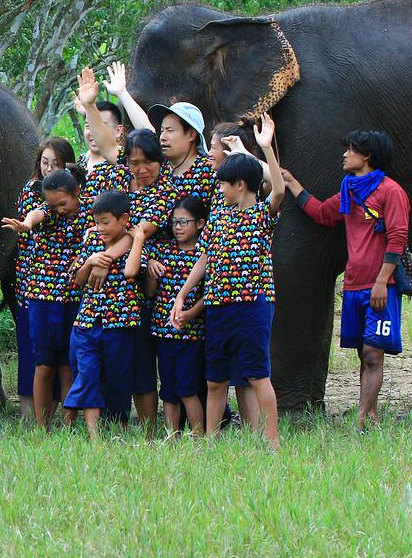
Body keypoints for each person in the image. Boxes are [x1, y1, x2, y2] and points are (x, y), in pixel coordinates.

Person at [172, 114, 283, 450]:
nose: (219, 188)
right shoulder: (219, 215)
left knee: (257, 375)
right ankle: (210, 440)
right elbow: (205, 258)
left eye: (223, 183)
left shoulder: (262, 215)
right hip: (218, 306)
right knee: (215, 379)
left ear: (240, 185)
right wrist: (184, 294)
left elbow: (278, 188)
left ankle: (272, 442)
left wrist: (263, 149)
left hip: (253, 306)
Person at [284, 130, 408, 431]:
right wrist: (292, 184)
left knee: (372, 352)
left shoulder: (391, 192)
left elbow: (398, 237)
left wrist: (382, 282)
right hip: (353, 284)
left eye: (350, 149)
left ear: (366, 156)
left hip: (380, 286)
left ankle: (364, 418)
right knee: (362, 353)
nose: (344, 155)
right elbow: (324, 214)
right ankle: (371, 415)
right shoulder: (350, 189)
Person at [79, 69, 166, 430]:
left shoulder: (163, 193)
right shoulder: (117, 176)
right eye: (134, 163)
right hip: (103, 293)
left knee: (143, 362)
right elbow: (110, 142)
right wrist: (90, 106)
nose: (141, 170)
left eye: (148, 164)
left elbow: (137, 232)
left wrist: (106, 259)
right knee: (106, 358)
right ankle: (114, 422)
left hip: (141, 284)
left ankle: (147, 430)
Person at [3, 163, 92, 429]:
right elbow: (36, 215)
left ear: (77, 192)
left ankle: (67, 423)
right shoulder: (49, 211)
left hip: (75, 296)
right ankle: (42, 427)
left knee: (68, 364)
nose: (58, 210)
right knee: (43, 364)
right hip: (42, 298)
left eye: (63, 203)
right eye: (52, 205)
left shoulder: (90, 212)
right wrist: (25, 225)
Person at [66, 190, 142, 439]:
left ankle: (119, 429)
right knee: (87, 375)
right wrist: (90, 262)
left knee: (118, 379)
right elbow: (76, 280)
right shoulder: (91, 243)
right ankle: (94, 436)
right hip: (88, 322)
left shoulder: (134, 244)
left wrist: (136, 239)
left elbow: (131, 272)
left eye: (106, 222)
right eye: (96, 222)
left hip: (120, 322)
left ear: (124, 219)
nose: (100, 228)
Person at [136, 196, 208, 437]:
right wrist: (151, 273)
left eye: (184, 222)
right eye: (174, 222)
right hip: (161, 330)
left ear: (199, 224)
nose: (177, 227)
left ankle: (198, 437)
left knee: (188, 388)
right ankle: (171, 437)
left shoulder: (204, 254)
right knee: (168, 389)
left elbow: (209, 294)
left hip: (191, 333)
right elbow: (150, 293)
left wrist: (190, 314)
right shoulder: (161, 251)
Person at [106, 62, 214, 208]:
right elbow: (145, 131)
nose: (162, 137)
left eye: (170, 130)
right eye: (162, 130)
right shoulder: (158, 164)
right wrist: (122, 93)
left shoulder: (209, 171)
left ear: (191, 134)